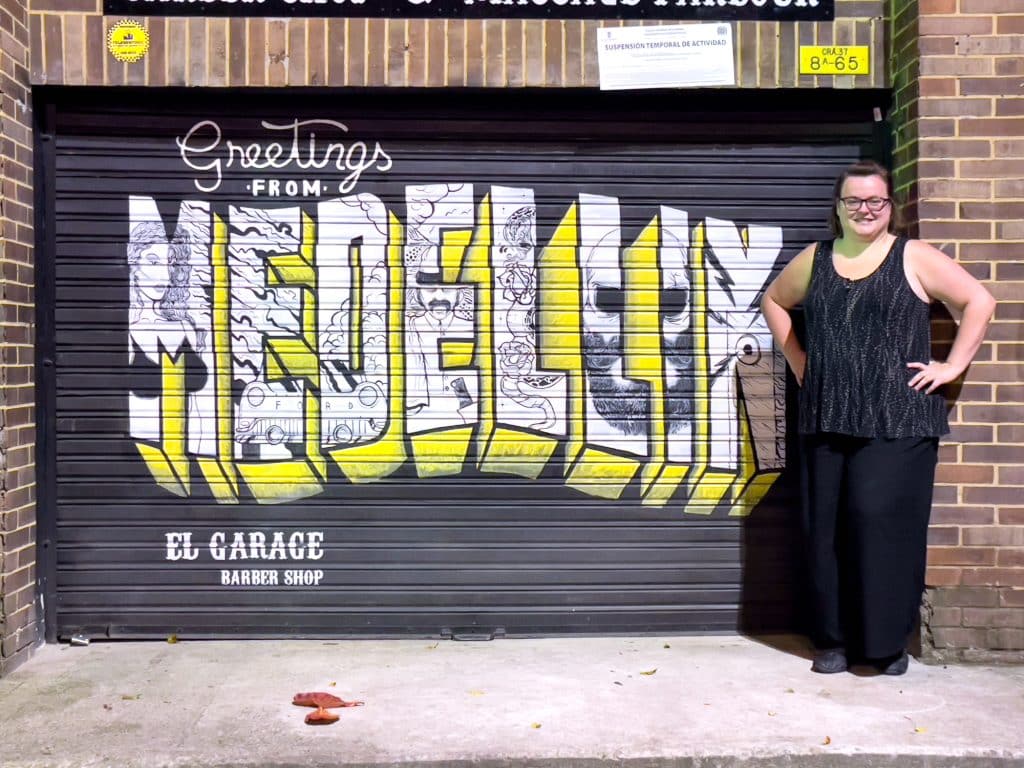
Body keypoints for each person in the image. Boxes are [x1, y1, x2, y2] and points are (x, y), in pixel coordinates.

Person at [761, 160, 995, 676]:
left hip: (899, 420)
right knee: (825, 532)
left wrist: (953, 364)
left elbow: (979, 300)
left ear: (889, 207)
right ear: (838, 208)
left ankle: (885, 645)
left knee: (880, 527)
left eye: (876, 201)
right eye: (854, 201)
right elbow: (774, 302)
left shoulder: (912, 257)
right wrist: (801, 362)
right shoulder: (816, 259)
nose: (865, 209)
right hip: (826, 415)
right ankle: (832, 642)